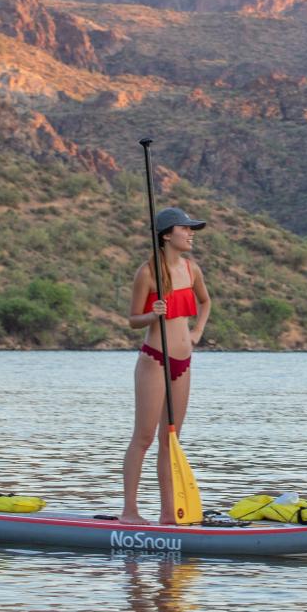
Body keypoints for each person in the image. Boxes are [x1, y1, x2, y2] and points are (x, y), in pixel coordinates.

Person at [121, 207, 211, 525]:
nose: (190, 234)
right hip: (154, 359)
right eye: (185, 229)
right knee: (143, 438)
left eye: (191, 229)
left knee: (170, 439)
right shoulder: (147, 273)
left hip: (184, 362)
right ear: (166, 235)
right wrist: (153, 313)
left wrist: (197, 332)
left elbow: (205, 302)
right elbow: (133, 320)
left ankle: (168, 514)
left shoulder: (192, 269)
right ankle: (129, 512)